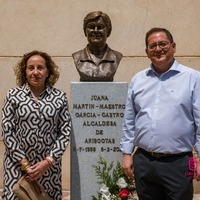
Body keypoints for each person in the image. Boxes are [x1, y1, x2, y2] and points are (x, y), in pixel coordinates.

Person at [120, 27, 200, 200]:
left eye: (163, 44)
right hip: (144, 161)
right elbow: (129, 119)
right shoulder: (138, 80)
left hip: (178, 163)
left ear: (173, 46)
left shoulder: (193, 78)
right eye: (152, 45)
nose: (158, 49)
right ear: (146, 52)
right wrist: (127, 153)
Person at [1, 50, 71, 200]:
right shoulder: (13, 96)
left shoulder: (59, 97)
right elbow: (7, 131)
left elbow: (65, 132)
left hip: (48, 169)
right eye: (30, 67)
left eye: (40, 67)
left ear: (48, 72)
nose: (35, 72)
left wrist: (48, 161)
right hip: (17, 166)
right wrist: (24, 164)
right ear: (24, 71)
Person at [72, 11, 123, 82]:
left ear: (108, 31)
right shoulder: (77, 57)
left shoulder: (116, 56)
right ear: (85, 31)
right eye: (91, 27)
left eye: (100, 27)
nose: (96, 31)